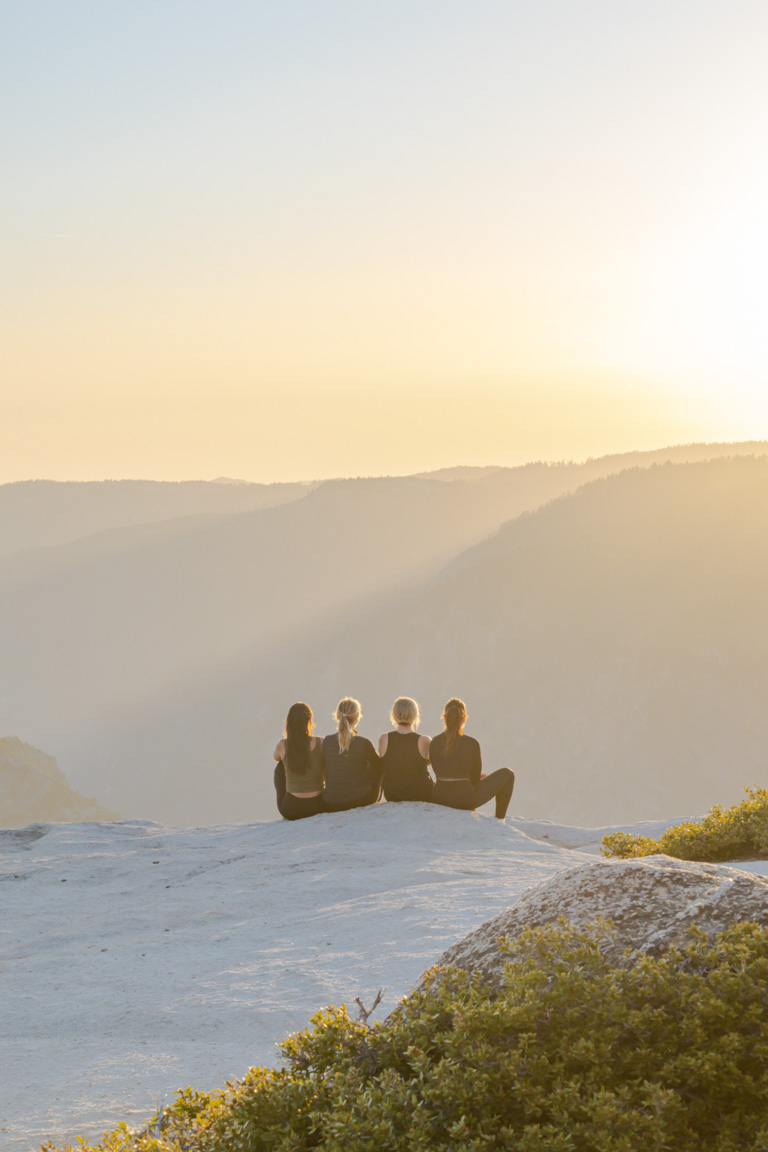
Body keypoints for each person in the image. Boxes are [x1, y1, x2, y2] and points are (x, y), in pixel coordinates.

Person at [429, 698, 514, 820]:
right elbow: (474, 780)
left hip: (439, 798)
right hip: (465, 800)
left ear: (444, 717)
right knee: (508, 774)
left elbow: (437, 770)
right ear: (463, 718)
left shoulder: (434, 742)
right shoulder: (472, 743)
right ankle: (499, 819)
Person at [322, 697, 382, 812]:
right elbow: (380, 767)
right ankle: (377, 797)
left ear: (338, 716)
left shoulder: (327, 741)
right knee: (376, 765)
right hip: (360, 799)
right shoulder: (363, 743)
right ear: (357, 717)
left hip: (330, 802)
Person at [273, 702, 326, 821]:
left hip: (292, 810)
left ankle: (294, 792)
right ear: (309, 721)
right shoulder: (321, 743)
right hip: (318, 806)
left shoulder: (282, 745)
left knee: (280, 766)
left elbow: (276, 757)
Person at [379, 696, 433, 803]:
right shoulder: (424, 740)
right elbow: (430, 762)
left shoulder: (384, 738)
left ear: (394, 715)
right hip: (421, 793)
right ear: (415, 716)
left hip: (392, 794)